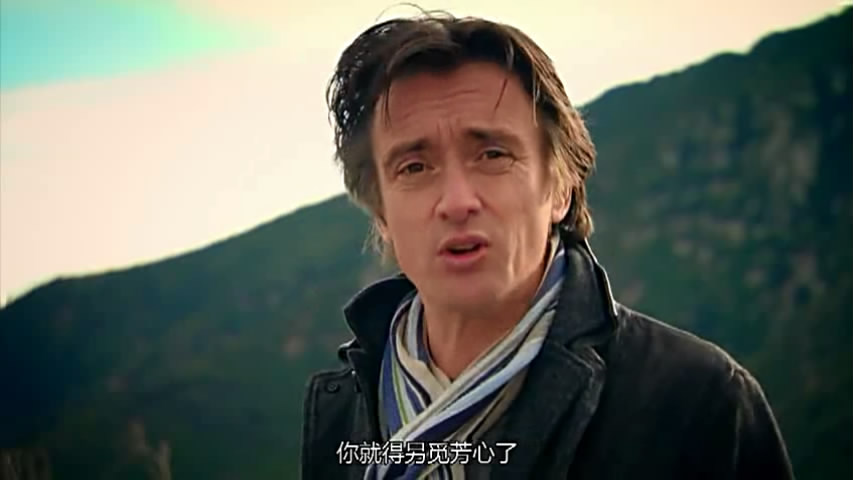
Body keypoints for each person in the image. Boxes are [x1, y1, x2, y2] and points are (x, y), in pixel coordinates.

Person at [300, 12, 794, 480]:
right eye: (414, 167)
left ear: (559, 188)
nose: (456, 201)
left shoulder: (696, 402)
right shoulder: (345, 407)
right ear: (382, 214)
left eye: (493, 154)